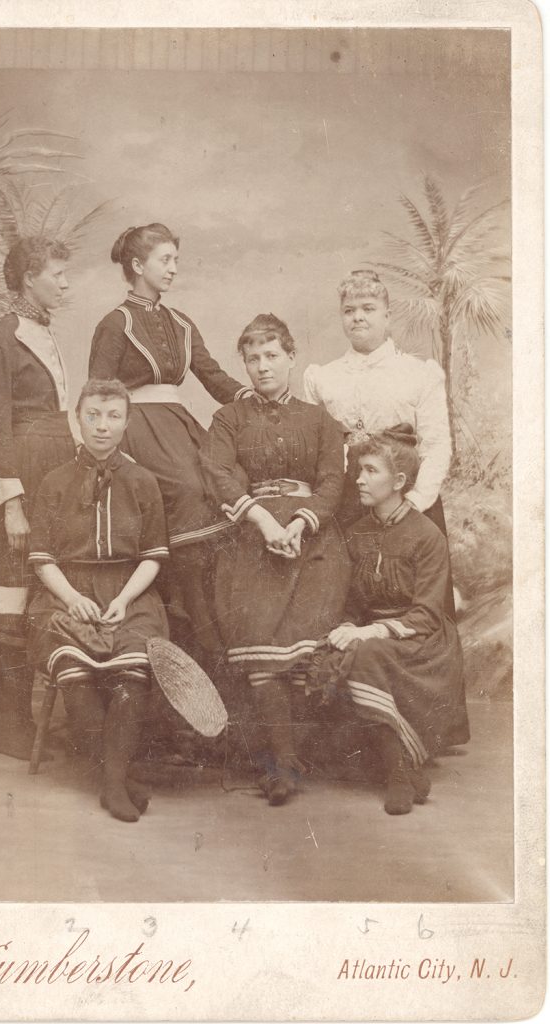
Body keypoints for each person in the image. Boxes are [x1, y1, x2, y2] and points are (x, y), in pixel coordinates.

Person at [200, 314, 349, 806]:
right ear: (243, 363)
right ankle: (282, 764)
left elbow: (331, 482)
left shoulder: (320, 420)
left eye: (271, 356)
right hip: (252, 540)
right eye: (252, 358)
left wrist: (301, 523)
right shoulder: (228, 419)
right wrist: (265, 523)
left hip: (313, 542)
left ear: (290, 357)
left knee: (302, 649)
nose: (262, 367)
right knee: (259, 643)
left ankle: (289, 757)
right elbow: (219, 475)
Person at [88, 223, 252, 670]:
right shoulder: (115, 323)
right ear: (138, 266)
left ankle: (219, 625)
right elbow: (99, 394)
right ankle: (186, 608)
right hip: (135, 428)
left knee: (225, 483)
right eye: (166, 260)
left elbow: (213, 376)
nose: (174, 269)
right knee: (187, 490)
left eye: (176, 260)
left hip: (178, 424)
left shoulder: (180, 322)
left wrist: (251, 398)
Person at [27, 379, 170, 823]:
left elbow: (152, 557)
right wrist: (70, 598)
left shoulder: (142, 481)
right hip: (65, 591)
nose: (102, 427)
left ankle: (111, 781)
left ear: (126, 422)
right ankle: (114, 784)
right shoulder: (55, 481)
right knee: (77, 675)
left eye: (112, 416)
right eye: (93, 415)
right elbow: (42, 558)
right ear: (78, 419)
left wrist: (126, 600)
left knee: (132, 673)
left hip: (129, 592)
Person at [308, 425, 469, 815]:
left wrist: (371, 631)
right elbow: (348, 599)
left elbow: (428, 613)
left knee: (366, 655)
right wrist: (347, 624)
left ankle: (397, 773)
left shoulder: (427, 536)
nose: (359, 479)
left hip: (422, 644)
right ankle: (401, 769)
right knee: (320, 655)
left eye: (370, 471)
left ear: (399, 481)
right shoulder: (354, 532)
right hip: (374, 636)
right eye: (358, 470)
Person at [0, 236, 76, 760]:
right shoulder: (3, 337)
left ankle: (51, 719)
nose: (65, 282)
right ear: (29, 277)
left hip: (56, 470)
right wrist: (11, 502)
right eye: (57, 273)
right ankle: (13, 728)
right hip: (21, 476)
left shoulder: (42, 332)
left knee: (50, 581)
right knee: (10, 587)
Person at [303, 269, 453, 535]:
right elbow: (318, 451)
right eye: (349, 310)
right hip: (348, 503)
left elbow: (436, 445)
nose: (357, 317)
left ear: (387, 316)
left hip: (407, 498)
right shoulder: (322, 378)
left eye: (368, 308)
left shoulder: (419, 374)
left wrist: (415, 500)